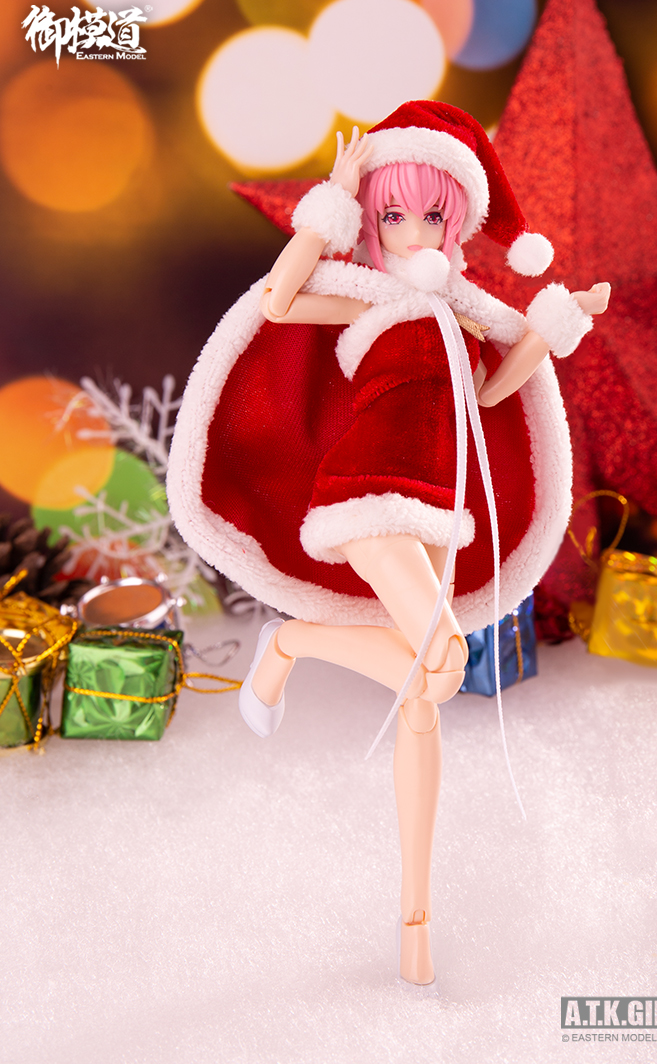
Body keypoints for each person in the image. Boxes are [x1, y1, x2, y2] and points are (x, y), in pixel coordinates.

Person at [167, 101, 609, 989]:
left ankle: (415, 921)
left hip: (439, 510)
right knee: (444, 664)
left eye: (430, 214)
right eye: (392, 213)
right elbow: (278, 301)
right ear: (371, 220)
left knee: (422, 696)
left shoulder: (466, 313)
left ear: (458, 220)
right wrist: (329, 208)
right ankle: (292, 642)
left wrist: (556, 327)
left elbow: (494, 396)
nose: (411, 231)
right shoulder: (364, 295)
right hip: (365, 497)